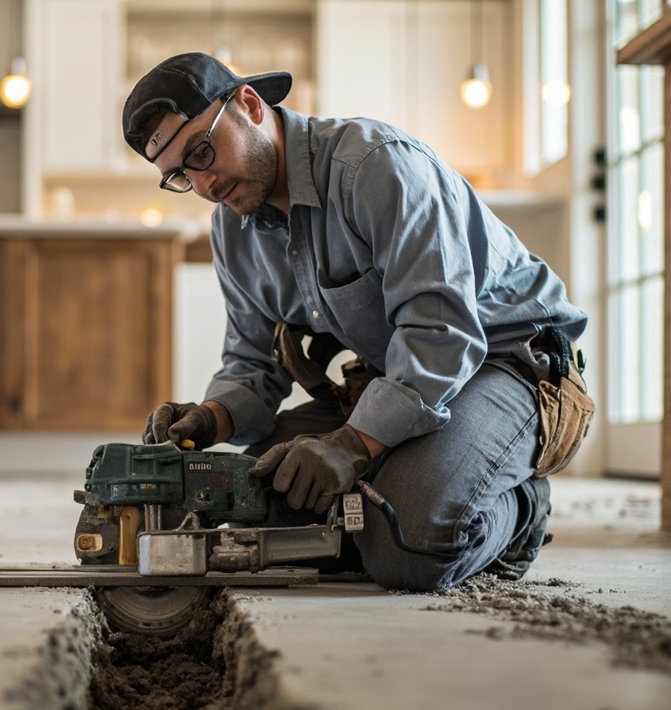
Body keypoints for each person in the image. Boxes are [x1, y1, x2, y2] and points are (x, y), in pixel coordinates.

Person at [124, 52, 594, 591]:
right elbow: (252, 363)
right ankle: (403, 481)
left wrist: (353, 445)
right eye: (181, 176)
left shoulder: (375, 166)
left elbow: (442, 333)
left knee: (408, 543)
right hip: (397, 376)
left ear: (249, 106)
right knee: (247, 503)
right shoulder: (232, 232)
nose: (204, 184)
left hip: (504, 362)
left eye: (202, 152)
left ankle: (519, 511)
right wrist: (210, 418)